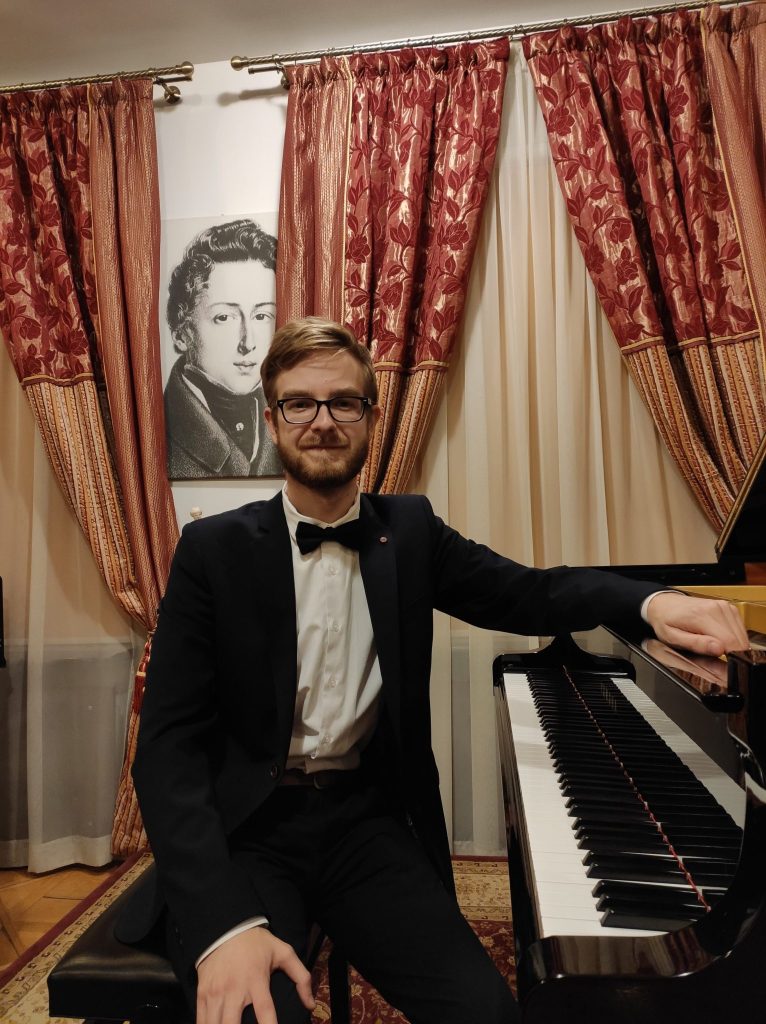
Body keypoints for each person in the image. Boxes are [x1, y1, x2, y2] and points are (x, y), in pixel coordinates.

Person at [119, 317, 749, 1024]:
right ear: (271, 419)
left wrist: (651, 601)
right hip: (249, 832)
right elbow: (167, 749)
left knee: (489, 1014)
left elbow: (531, 592)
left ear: (370, 417)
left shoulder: (410, 531)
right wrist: (225, 925)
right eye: (300, 404)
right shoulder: (213, 550)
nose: (322, 421)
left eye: (343, 403)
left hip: (364, 824)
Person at [163, 218, 283, 479]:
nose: (248, 343)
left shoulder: (289, 418)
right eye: (224, 318)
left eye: (261, 316)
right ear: (181, 333)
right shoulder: (158, 431)